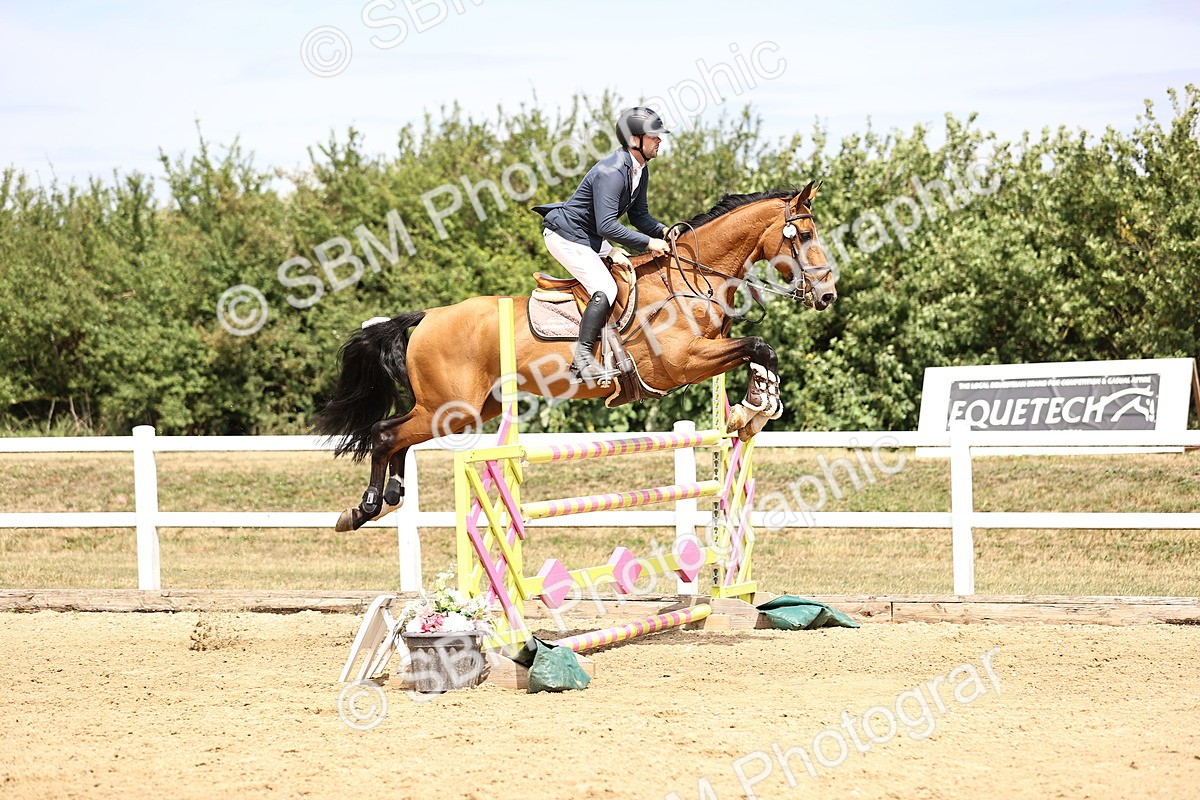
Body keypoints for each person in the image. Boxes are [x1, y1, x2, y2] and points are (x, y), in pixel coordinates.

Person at [533, 107, 673, 382]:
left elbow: (639, 215)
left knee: (627, 273)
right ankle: (582, 360)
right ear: (635, 140)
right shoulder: (612, 171)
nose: (659, 140)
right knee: (605, 287)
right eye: (654, 136)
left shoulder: (639, 170)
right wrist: (649, 243)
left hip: (589, 237)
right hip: (567, 235)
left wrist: (664, 231)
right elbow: (607, 226)